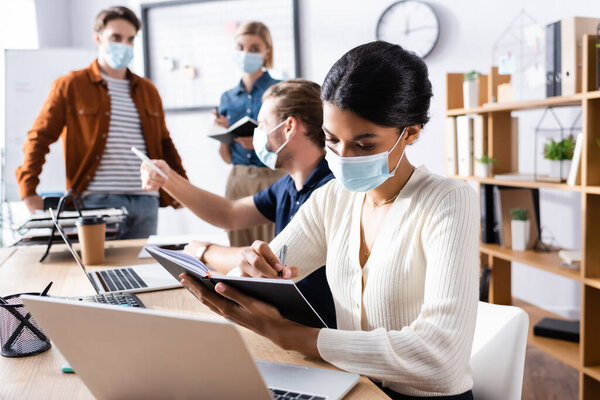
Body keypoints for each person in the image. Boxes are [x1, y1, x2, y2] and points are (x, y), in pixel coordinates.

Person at [180, 41, 479, 400]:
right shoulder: (333, 198)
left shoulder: (448, 200)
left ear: (411, 133)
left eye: (365, 145)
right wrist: (252, 267)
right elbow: (269, 272)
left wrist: (291, 335)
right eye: (332, 139)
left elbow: (441, 357)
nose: (343, 157)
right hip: (354, 386)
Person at [141, 79, 336, 327]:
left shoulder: (329, 190)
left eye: (263, 124)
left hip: (316, 329)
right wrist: (167, 179)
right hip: (290, 321)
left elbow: (267, 265)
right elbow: (230, 213)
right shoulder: (288, 185)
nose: (258, 134)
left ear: (288, 127)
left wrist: (204, 251)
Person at [15, 6, 186, 239]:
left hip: (146, 200)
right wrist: (28, 190)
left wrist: (183, 189)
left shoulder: (148, 90)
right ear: (98, 37)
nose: (124, 45)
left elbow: (164, 143)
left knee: (141, 272)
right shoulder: (70, 85)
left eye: (130, 39)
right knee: (97, 272)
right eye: (116, 37)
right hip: (96, 201)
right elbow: (39, 136)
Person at [213, 21, 285, 247]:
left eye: (254, 48)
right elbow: (226, 157)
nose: (246, 54)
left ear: (266, 52)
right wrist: (222, 134)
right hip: (238, 178)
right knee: (238, 248)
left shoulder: (280, 91)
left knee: (273, 250)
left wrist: (260, 143)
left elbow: (292, 142)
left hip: (272, 178)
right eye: (240, 47)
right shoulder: (227, 98)